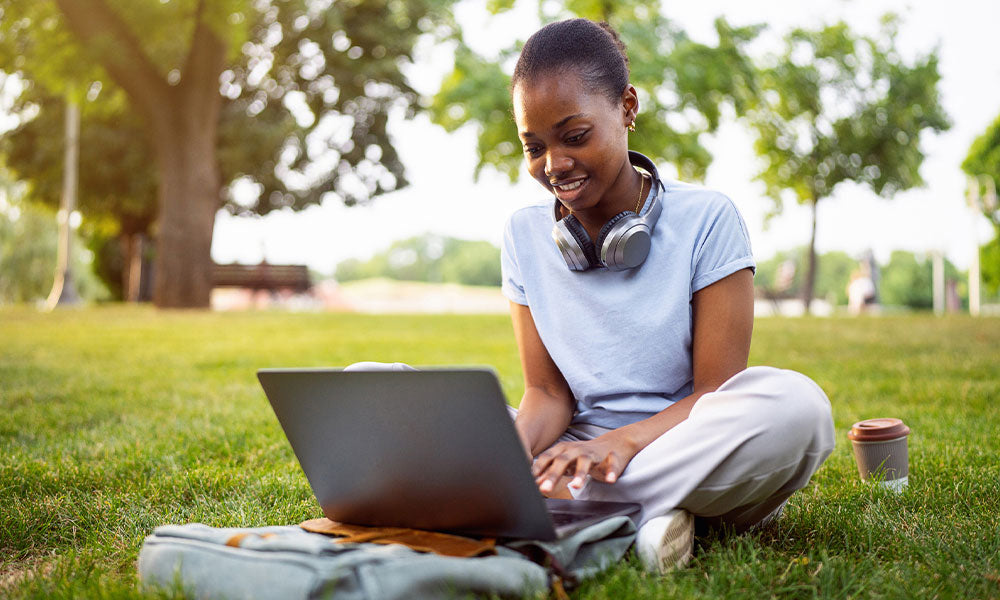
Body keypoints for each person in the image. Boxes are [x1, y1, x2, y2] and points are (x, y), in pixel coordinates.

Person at [499, 18, 835, 572]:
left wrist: (622, 444)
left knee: (798, 408)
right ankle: (642, 519)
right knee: (377, 383)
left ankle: (561, 511)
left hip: (685, 443)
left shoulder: (709, 219)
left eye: (575, 136)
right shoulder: (522, 233)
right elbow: (546, 394)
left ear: (627, 107)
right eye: (534, 147)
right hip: (574, 448)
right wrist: (505, 459)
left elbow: (715, 391)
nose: (554, 165)